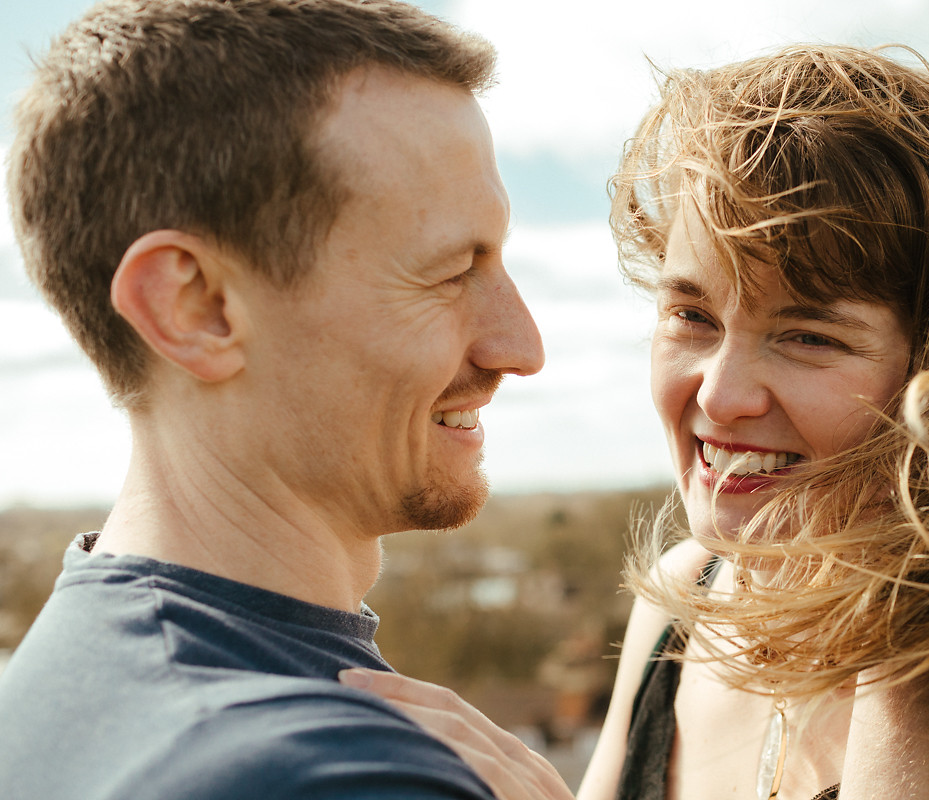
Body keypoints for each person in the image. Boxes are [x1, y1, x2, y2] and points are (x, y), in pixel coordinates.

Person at [352, 44, 929, 797]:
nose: (720, 397)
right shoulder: (685, 603)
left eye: (807, 335)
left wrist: (900, 678)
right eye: (692, 317)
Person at [0, 1, 572, 799]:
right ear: (194, 308)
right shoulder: (325, 773)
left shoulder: (64, 674)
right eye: (449, 272)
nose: (520, 346)